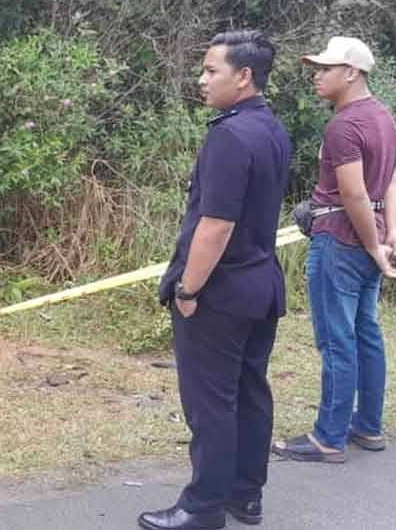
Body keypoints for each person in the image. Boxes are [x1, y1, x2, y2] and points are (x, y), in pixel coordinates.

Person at [141, 30, 291, 530]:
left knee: (212, 403)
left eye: (211, 71)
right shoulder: (272, 127)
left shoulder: (228, 135)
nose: (201, 79)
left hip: (221, 293)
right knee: (249, 392)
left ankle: (203, 506)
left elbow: (217, 223)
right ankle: (246, 496)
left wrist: (188, 289)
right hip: (260, 286)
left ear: (243, 76)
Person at [273, 37, 396, 463]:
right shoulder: (384, 118)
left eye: (326, 68)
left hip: (341, 241)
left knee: (337, 339)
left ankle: (328, 437)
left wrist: (374, 243)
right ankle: (368, 427)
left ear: (351, 72)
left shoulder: (344, 126)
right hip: (370, 238)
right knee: (366, 333)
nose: (317, 74)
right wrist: (390, 235)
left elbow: (355, 193)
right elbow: (392, 183)